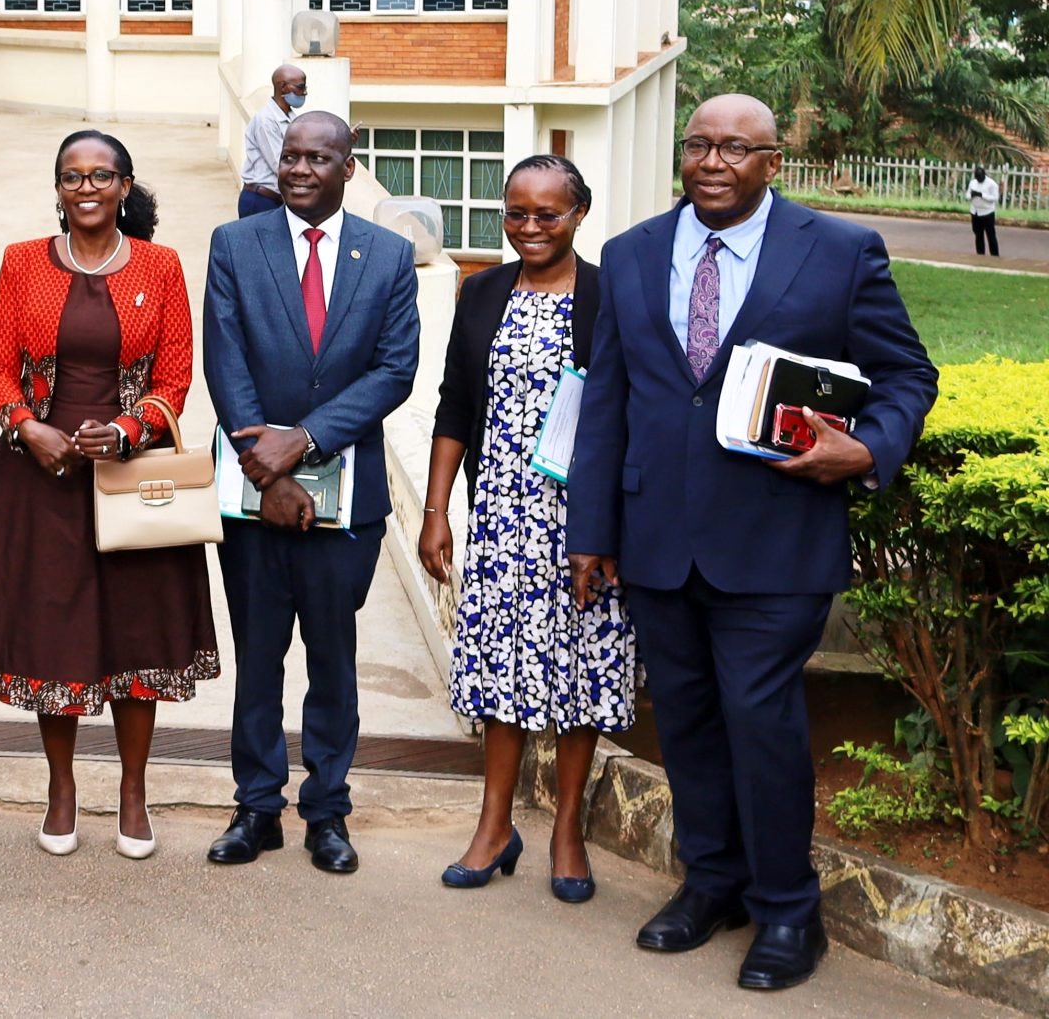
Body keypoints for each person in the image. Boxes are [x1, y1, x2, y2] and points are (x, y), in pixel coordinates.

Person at [568, 95, 937, 991]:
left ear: (775, 159)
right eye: (698, 143)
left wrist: (869, 447)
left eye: (736, 147)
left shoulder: (840, 251)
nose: (713, 160)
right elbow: (607, 397)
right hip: (655, 538)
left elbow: (907, 374)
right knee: (687, 727)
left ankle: (786, 910)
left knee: (761, 723)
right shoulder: (630, 255)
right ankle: (713, 884)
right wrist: (591, 529)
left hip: (775, 543)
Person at [0, 130, 215, 860]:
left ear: (126, 186)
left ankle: (133, 791)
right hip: (40, 479)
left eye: (102, 175)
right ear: (59, 188)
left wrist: (133, 429)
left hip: (132, 481)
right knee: (53, 636)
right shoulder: (22, 262)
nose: (87, 187)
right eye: (73, 176)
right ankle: (62, 788)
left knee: (135, 635)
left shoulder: (161, 267)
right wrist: (24, 427)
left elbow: (175, 375)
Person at [201, 111, 419, 876]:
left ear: (347, 168)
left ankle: (327, 811)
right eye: (290, 156)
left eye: (317, 158)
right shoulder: (235, 243)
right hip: (254, 494)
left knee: (333, 657)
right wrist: (272, 467)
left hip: (347, 502)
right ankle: (256, 806)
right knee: (258, 655)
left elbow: (395, 370)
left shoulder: (389, 255)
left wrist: (309, 438)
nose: (298, 169)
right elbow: (224, 361)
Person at [416, 155, 630, 901]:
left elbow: (629, 417)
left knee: (578, 674)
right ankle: (494, 825)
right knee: (501, 672)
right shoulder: (481, 293)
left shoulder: (609, 296)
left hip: (585, 525)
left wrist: (608, 530)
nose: (530, 227)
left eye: (548, 214)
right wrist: (438, 509)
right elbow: (453, 406)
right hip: (503, 518)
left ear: (579, 213)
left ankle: (568, 830)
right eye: (516, 213)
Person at [236, 65, 307, 219]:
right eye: (300, 87)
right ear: (283, 87)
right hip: (260, 201)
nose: (305, 92)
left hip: (276, 200)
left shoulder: (291, 117)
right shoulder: (266, 121)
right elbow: (280, 164)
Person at [968, 164, 1001, 257]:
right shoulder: (973, 183)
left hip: (987, 213)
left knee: (990, 235)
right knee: (978, 235)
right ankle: (980, 254)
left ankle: (994, 255)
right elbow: (967, 195)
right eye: (977, 178)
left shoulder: (992, 184)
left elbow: (995, 198)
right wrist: (972, 195)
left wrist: (981, 195)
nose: (979, 180)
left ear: (984, 175)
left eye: (980, 178)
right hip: (975, 212)